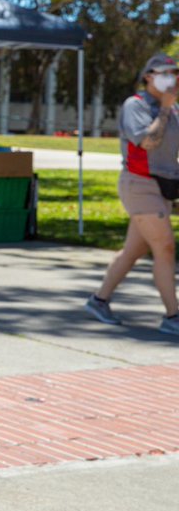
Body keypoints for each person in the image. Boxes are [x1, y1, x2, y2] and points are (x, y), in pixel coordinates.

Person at [88, 53, 179, 336]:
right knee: (164, 248)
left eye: (174, 73)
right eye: (165, 72)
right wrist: (164, 109)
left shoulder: (174, 110)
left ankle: (98, 300)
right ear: (149, 77)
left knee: (134, 250)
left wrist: (169, 108)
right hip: (139, 185)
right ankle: (173, 315)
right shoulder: (135, 105)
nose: (172, 78)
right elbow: (148, 141)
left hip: (162, 187)